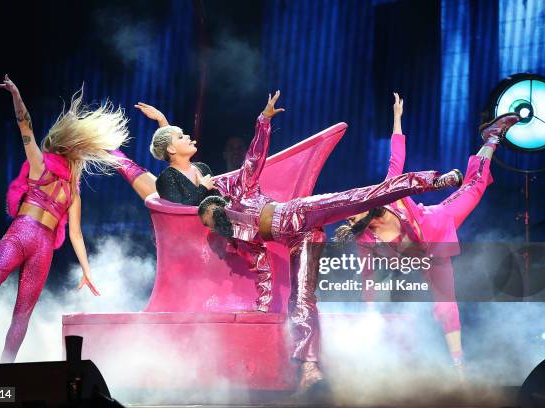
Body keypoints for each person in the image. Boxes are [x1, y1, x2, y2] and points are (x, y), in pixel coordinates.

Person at [196, 90, 461, 396]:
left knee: (365, 196)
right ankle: (310, 370)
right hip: (301, 238)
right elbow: (264, 272)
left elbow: (255, 157)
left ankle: (434, 180)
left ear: (216, 205)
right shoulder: (241, 238)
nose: (211, 226)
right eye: (207, 226)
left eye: (209, 219)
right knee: (301, 300)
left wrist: (264, 119)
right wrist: (262, 306)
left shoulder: (242, 193)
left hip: (299, 212)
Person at [334, 93, 522, 379]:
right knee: (441, 306)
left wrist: (397, 119)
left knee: (476, 186)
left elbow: (396, 159)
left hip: (440, 222)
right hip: (428, 260)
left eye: (353, 211)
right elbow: (367, 278)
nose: (349, 216)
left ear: (367, 208)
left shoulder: (389, 197)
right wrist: (370, 314)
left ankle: (491, 138)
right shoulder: (365, 240)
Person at [0, 75, 130, 363]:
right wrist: (87, 270)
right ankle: (5, 366)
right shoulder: (72, 192)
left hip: (22, 230)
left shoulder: (39, 166)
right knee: (23, 313)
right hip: (43, 245)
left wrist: (16, 94)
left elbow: (24, 125)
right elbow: (76, 234)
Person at [142, 103, 219, 205]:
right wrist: (203, 188)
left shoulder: (203, 168)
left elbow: (220, 203)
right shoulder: (166, 178)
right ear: (171, 149)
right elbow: (179, 209)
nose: (187, 136)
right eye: (180, 137)